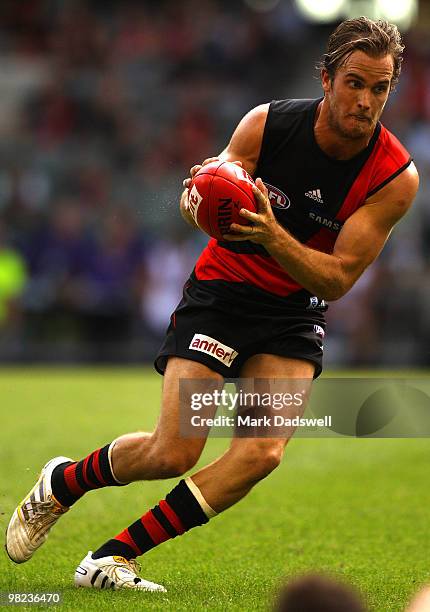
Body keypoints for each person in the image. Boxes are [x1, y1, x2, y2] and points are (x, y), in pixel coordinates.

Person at [6, 17, 419, 592]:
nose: (366, 101)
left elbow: (337, 279)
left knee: (262, 453)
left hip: (294, 309)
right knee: (172, 452)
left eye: (380, 88)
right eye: (355, 83)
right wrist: (196, 194)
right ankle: (64, 483)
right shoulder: (268, 124)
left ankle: (112, 557)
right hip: (223, 294)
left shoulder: (394, 176)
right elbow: (205, 195)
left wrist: (273, 234)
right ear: (326, 79)